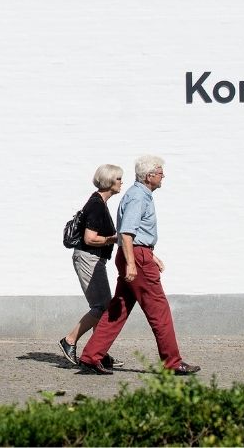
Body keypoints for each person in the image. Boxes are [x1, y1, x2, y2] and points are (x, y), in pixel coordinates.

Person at [78, 155, 200, 375]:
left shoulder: (138, 195)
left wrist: (150, 256)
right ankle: (172, 362)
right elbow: (126, 233)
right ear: (150, 176)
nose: (164, 176)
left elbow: (136, 235)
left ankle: (90, 357)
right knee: (159, 311)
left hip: (138, 255)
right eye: (161, 172)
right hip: (136, 258)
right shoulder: (138, 197)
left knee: (118, 309)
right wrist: (134, 263)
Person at [58, 164, 124, 370]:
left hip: (94, 259)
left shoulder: (100, 203)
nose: (122, 182)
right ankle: (69, 340)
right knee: (101, 306)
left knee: (103, 305)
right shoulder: (96, 204)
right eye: (119, 179)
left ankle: (99, 352)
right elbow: (90, 238)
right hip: (88, 258)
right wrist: (114, 239)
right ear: (109, 181)